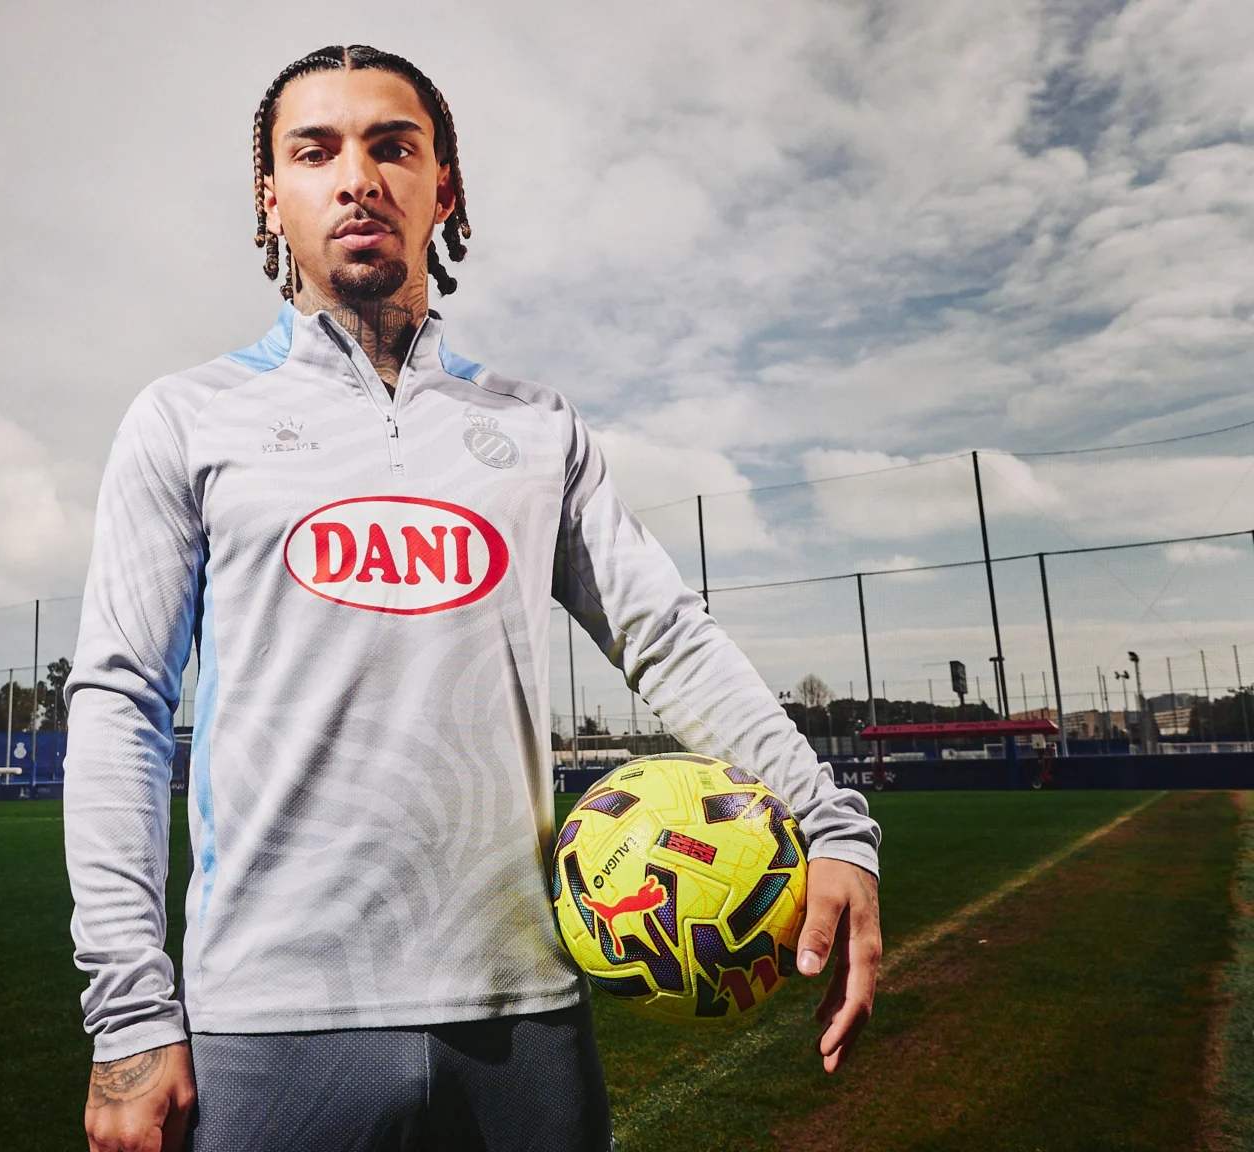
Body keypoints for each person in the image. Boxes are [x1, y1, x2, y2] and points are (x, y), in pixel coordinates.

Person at [64, 44, 882, 1152]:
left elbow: (667, 636)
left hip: (524, 1015)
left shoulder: (537, 426)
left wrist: (829, 821)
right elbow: (120, 703)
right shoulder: (185, 417)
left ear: (442, 188)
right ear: (270, 196)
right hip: (269, 1018)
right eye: (316, 151)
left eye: (393, 147)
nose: (358, 178)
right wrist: (128, 1013)